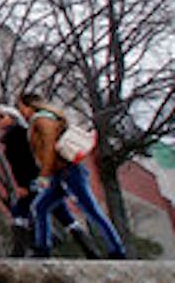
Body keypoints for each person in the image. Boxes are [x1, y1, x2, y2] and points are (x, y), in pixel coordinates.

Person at [18, 93, 128, 259]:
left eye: (21, 107)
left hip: (67, 172)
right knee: (40, 207)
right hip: (61, 173)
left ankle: (117, 249)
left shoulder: (41, 120)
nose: (21, 112)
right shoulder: (47, 119)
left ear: (28, 106)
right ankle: (43, 248)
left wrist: (44, 175)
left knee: (91, 210)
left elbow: (49, 149)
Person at [0, 103, 98, 258]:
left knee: (20, 212)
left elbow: (24, 163)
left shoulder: (17, 136)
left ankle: (21, 251)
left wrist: (24, 185)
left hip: (35, 180)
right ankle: (89, 250)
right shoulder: (20, 135)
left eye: (2, 117)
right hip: (45, 179)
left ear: (14, 119)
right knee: (61, 213)